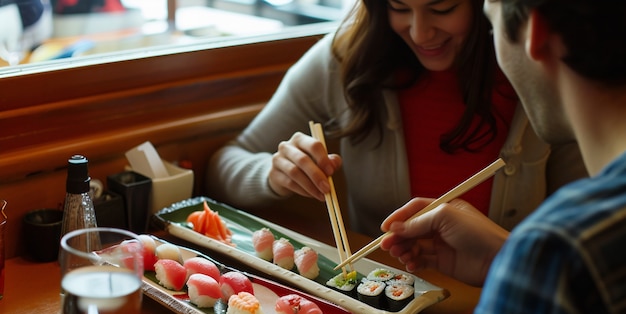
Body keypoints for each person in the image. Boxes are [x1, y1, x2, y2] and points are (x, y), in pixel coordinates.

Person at [372, 0, 626, 314]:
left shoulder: (559, 252)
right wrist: (510, 258)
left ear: (535, 34)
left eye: (492, 26)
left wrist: (527, 267)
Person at [206, 0, 587, 238]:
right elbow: (225, 165)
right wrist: (274, 175)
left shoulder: (536, 73)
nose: (420, 32)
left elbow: (582, 223)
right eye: (399, 7)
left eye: (442, 8)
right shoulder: (347, 59)